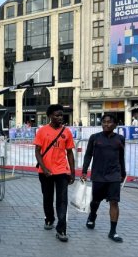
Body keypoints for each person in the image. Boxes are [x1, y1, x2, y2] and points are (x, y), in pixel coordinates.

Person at [81, 114, 126, 243]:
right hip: (98, 175)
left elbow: (121, 157)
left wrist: (123, 172)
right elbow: (88, 155)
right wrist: (84, 171)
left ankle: (113, 231)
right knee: (96, 201)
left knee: (114, 202)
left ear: (116, 125)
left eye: (109, 122)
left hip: (114, 175)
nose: (106, 124)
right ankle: (92, 216)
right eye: (104, 122)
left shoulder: (120, 139)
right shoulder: (94, 138)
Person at [34, 104, 75, 242]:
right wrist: (44, 168)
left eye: (61, 115)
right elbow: (37, 152)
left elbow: (70, 153)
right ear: (50, 116)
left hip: (62, 171)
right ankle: (49, 219)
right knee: (48, 198)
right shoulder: (42, 131)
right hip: (45, 172)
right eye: (57, 115)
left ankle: (61, 229)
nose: (60, 118)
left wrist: (72, 172)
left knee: (62, 200)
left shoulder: (67, 132)